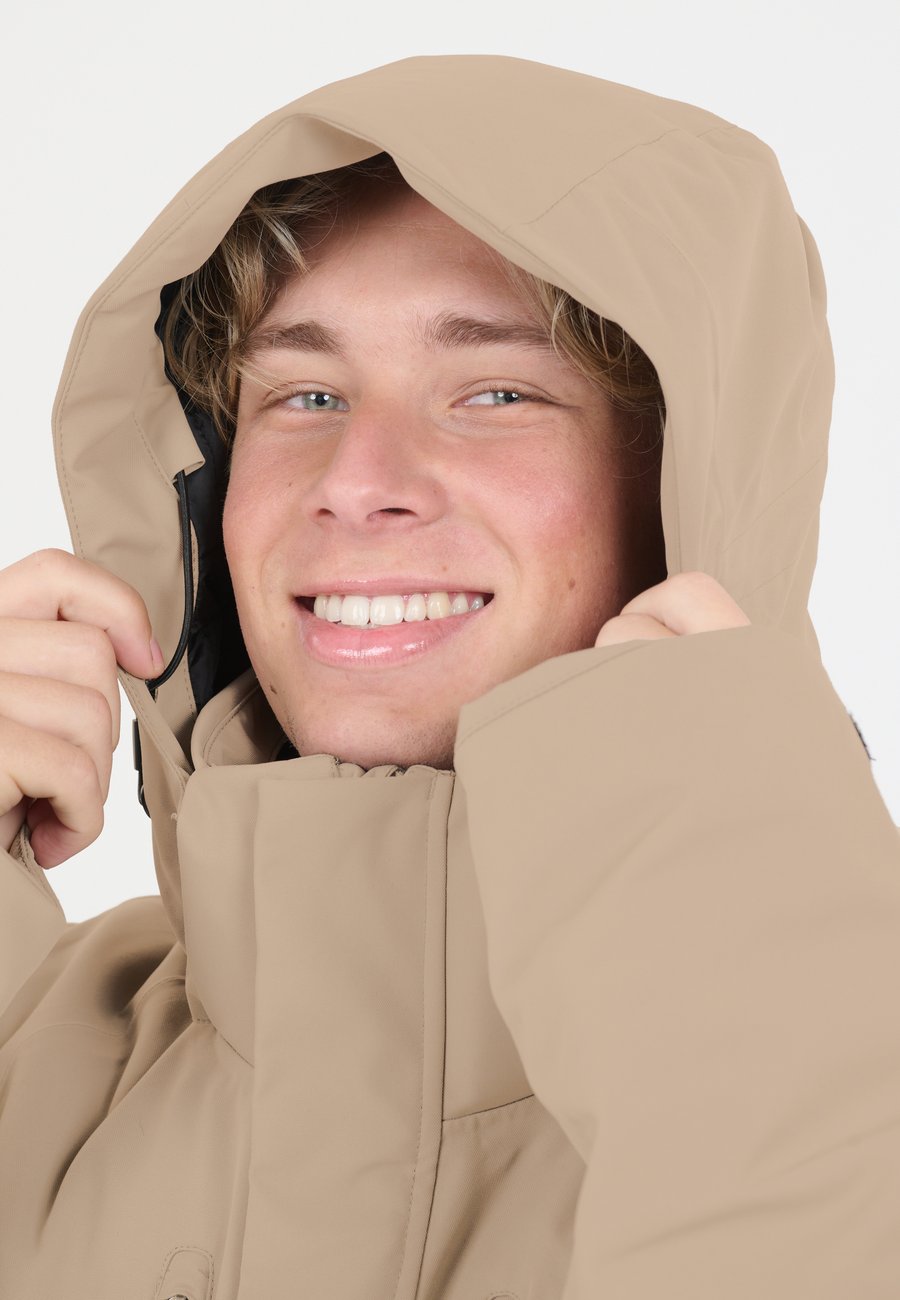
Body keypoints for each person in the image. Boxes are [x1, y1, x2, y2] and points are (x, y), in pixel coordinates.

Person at [1, 53, 899, 1300]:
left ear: (685, 487)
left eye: (495, 392)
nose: (356, 479)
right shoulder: (30, 1054)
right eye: (305, 392)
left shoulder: (858, 1073)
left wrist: (760, 1013)